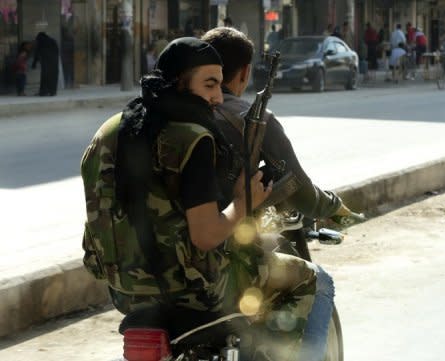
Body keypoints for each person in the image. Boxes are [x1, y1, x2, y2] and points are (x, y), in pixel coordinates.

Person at [81, 37, 320, 361]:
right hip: (197, 294)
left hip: (125, 293)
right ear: (178, 81)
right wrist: (244, 204)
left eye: (220, 85)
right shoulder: (193, 138)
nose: (218, 97)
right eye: (209, 85)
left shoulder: (109, 131)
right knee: (306, 278)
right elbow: (206, 235)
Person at [202, 26, 358, 361]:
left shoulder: (171, 123)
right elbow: (300, 190)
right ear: (244, 73)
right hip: (225, 261)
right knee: (320, 283)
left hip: (162, 264)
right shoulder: (248, 117)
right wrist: (333, 206)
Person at [32, 32, 59, 96]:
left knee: (45, 77)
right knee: (53, 77)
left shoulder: (41, 41)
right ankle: (52, 91)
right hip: (54, 62)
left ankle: (43, 92)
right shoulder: (53, 41)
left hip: (45, 62)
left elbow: (37, 53)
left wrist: (34, 63)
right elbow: (57, 51)